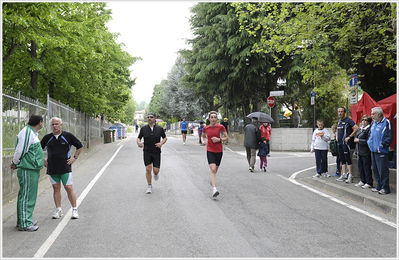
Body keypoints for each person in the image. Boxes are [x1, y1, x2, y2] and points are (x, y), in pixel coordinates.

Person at [41, 117, 83, 220]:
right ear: (50, 126)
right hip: (52, 168)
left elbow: (79, 145)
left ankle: (74, 209)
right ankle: (58, 210)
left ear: (61, 125)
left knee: (68, 188)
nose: (54, 126)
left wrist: (74, 157)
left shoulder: (67, 136)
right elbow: (38, 149)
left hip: (65, 167)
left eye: (56, 124)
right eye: (52, 124)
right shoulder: (47, 138)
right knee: (56, 188)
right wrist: (42, 160)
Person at [10, 114, 44, 231]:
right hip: (28, 169)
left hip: (31, 168)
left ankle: (24, 219)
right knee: (27, 196)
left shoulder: (30, 132)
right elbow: (20, 150)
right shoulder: (27, 132)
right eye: (42, 122)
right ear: (40, 122)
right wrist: (15, 162)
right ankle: (25, 223)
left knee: (27, 195)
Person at [137, 112, 167, 194]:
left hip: (156, 152)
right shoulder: (144, 129)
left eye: (151, 117)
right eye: (148, 117)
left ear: (155, 118)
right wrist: (139, 143)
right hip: (147, 151)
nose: (149, 118)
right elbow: (138, 138)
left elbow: (165, 138)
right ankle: (149, 186)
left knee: (156, 170)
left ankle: (156, 173)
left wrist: (161, 143)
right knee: (148, 168)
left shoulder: (160, 129)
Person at [201, 111, 228, 197]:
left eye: (214, 117)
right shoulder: (206, 128)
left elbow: (226, 138)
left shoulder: (221, 127)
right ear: (209, 119)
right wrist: (203, 141)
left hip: (219, 151)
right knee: (212, 169)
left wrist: (219, 139)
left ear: (217, 119)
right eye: (211, 117)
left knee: (215, 170)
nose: (213, 119)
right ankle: (214, 189)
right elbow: (202, 136)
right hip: (210, 150)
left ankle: (212, 180)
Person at [367, 107, 394, 195]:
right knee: (375, 169)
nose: (372, 116)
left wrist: (383, 145)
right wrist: (369, 143)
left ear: (379, 114)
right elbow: (371, 134)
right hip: (373, 150)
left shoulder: (386, 122)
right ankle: (379, 185)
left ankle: (385, 188)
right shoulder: (374, 123)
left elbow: (389, 136)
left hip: (381, 151)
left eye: (373, 114)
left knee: (383, 170)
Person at [335, 106, 359, 183]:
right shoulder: (339, 121)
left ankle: (350, 175)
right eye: (339, 111)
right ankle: (344, 174)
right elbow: (338, 130)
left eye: (341, 111)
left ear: (344, 112)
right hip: (339, 143)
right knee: (342, 159)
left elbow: (356, 128)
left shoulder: (348, 120)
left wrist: (349, 137)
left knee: (348, 159)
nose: (340, 113)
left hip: (346, 144)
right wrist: (336, 136)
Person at [354, 115, 373, 189]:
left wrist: (359, 140)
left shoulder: (369, 130)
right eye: (362, 120)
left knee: (366, 167)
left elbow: (368, 141)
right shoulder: (361, 129)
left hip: (365, 151)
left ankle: (369, 182)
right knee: (360, 167)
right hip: (359, 151)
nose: (363, 121)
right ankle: (362, 180)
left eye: (365, 120)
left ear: (368, 122)